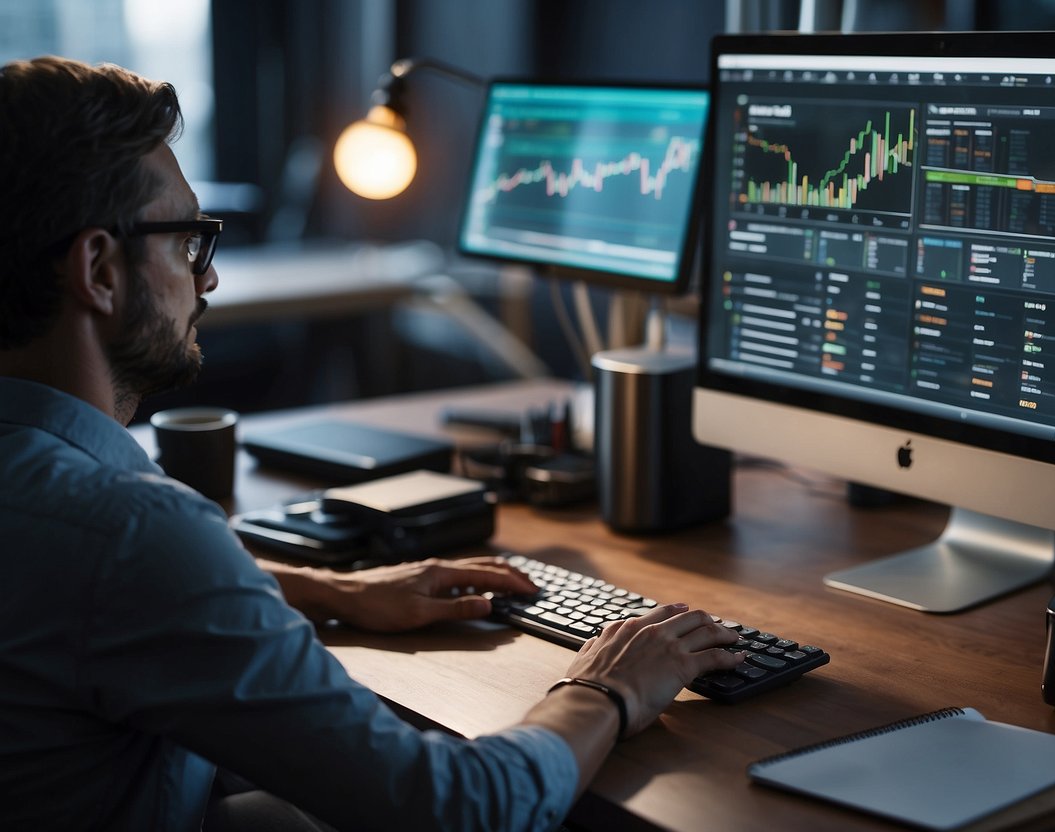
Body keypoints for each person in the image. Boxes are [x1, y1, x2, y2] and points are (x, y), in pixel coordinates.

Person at [0, 56, 744, 831]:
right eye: (188, 242)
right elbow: (454, 810)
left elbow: (84, 595)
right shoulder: (127, 535)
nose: (208, 281)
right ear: (99, 270)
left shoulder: (70, 522)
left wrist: (333, 591)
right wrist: (606, 690)